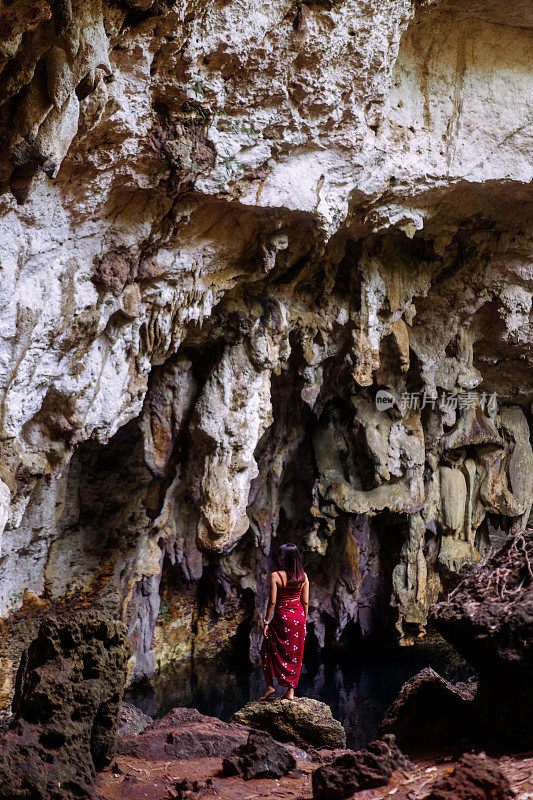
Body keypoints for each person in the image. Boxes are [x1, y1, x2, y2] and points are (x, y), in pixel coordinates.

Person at [260, 542, 309, 701]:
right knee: (295, 654)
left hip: (282, 617)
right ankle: (290, 691)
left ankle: (270, 686)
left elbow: (272, 602)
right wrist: (304, 621)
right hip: (299, 618)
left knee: (267, 649)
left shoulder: (276, 576)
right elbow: (305, 602)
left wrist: (267, 621)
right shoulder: (304, 577)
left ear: (282, 559)